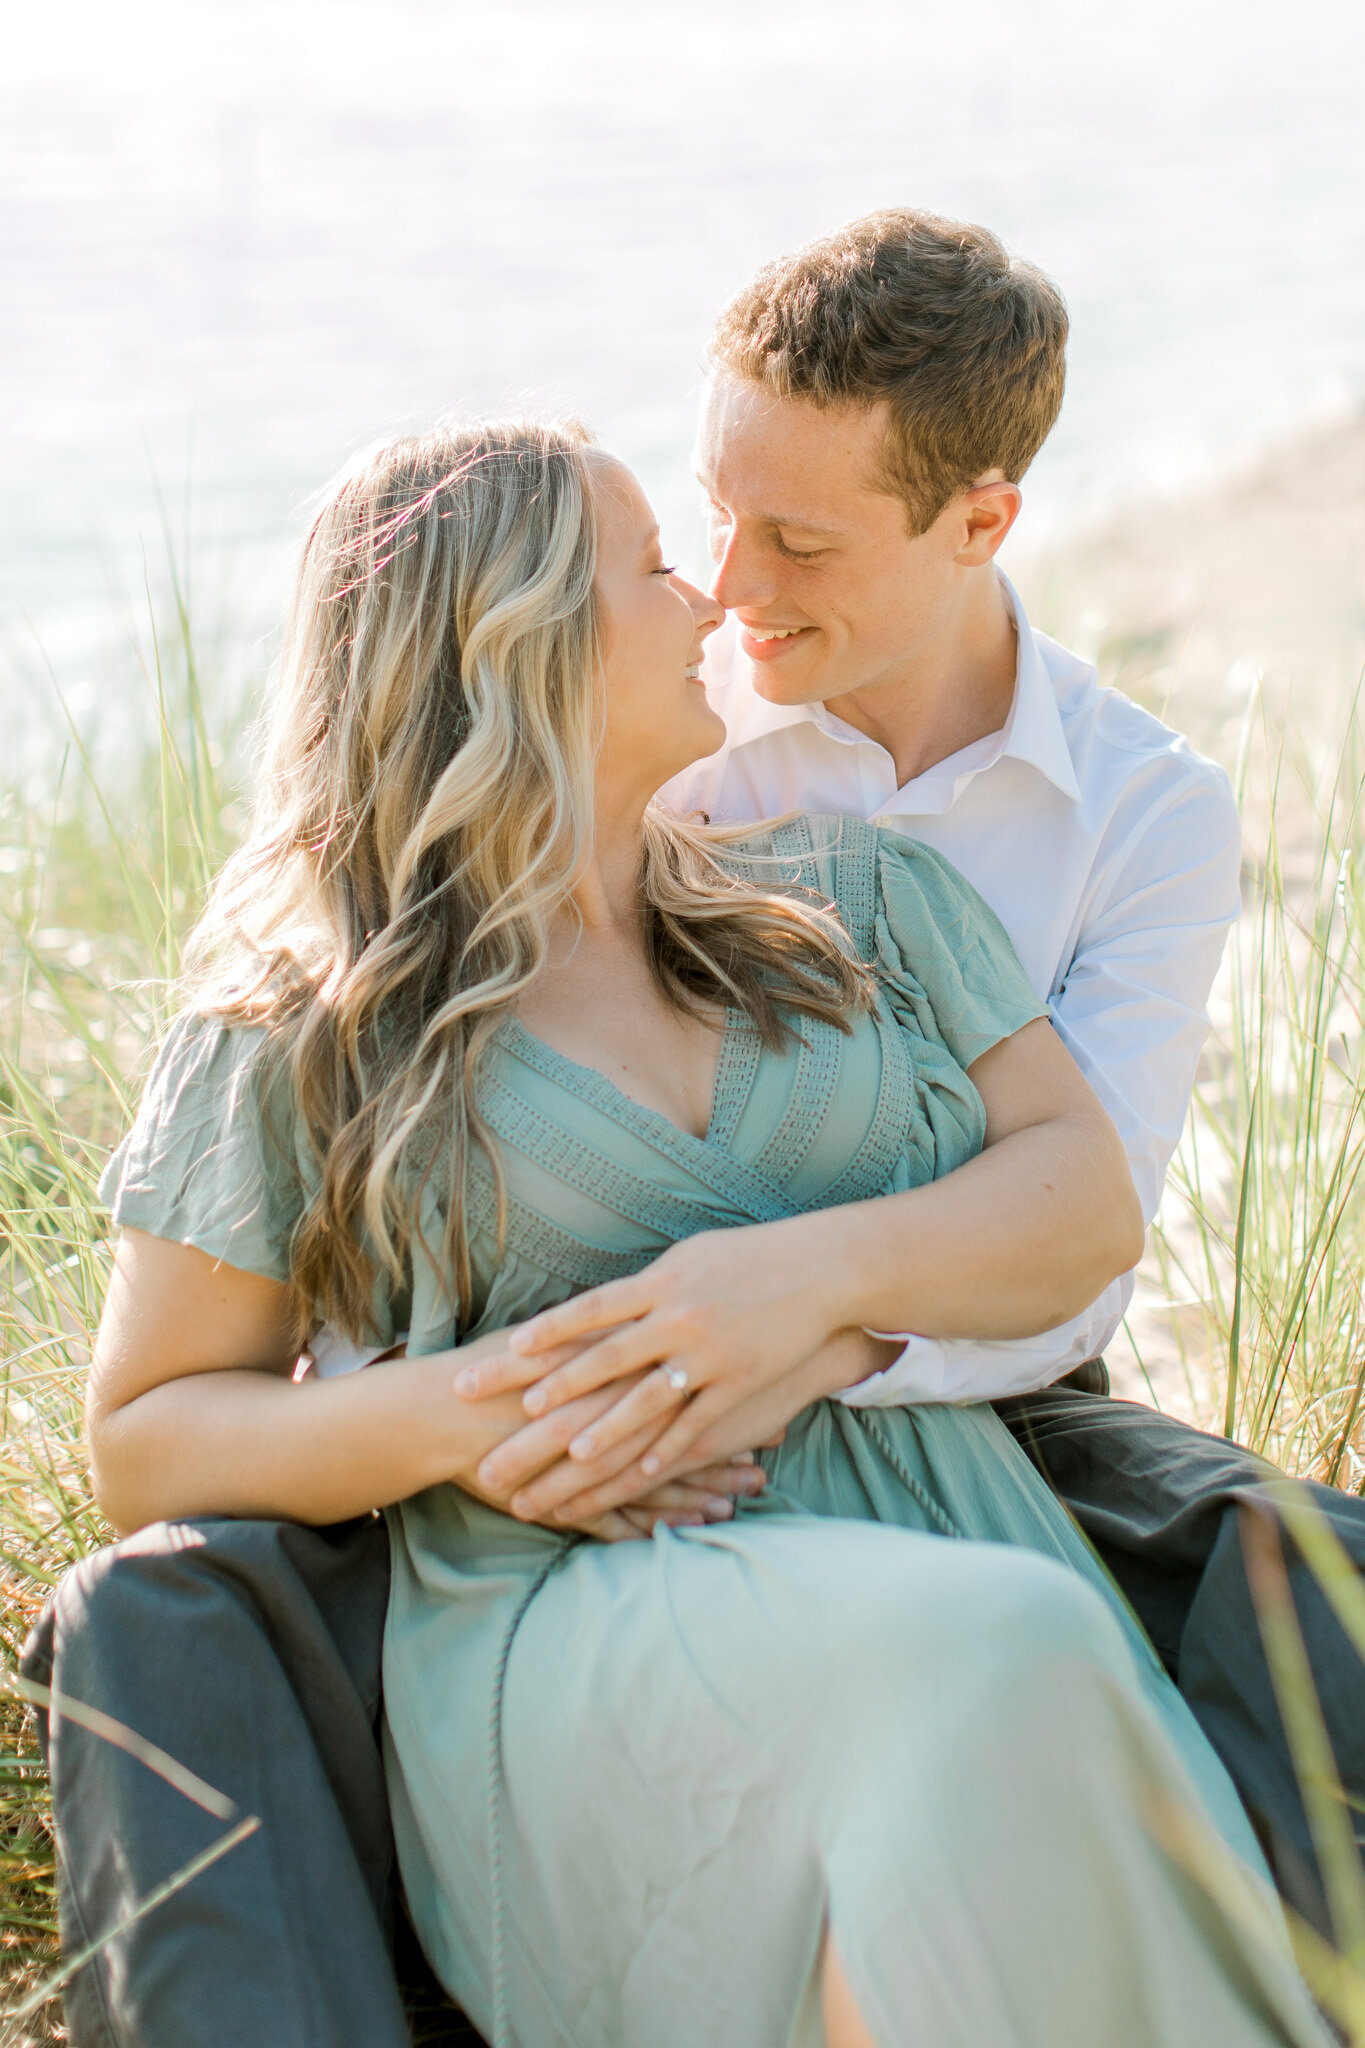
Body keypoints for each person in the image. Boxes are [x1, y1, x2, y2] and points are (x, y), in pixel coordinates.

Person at [23, 212, 1363, 2045]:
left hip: (961, 1515)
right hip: (583, 1600)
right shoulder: (304, 1021)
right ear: (513, 652)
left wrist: (781, 1297)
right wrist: (482, 1417)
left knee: (1017, 1685)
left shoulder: (859, 896)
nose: (714, 601)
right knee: (1000, 1662)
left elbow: (1077, 1208)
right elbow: (152, 1434)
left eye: (750, 550)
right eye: (662, 561)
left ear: (977, 522)